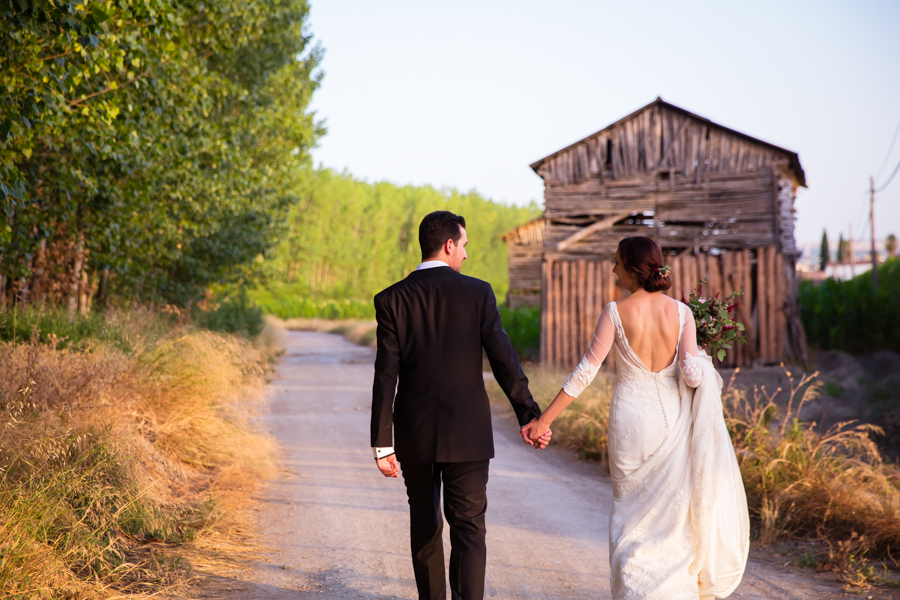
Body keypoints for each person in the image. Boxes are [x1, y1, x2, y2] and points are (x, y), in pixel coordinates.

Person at [522, 236, 749, 600]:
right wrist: (700, 356)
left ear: (631, 268)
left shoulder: (615, 312)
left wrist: (544, 420)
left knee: (631, 520)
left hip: (630, 422)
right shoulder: (682, 313)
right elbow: (692, 376)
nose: (613, 269)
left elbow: (585, 372)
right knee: (672, 524)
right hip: (671, 423)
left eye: (616, 263)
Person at [371, 210, 552, 600]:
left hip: (414, 432)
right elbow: (504, 358)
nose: (466, 255)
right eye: (465, 246)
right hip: (467, 432)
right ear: (449, 245)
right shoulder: (478, 293)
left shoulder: (391, 299)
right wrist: (528, 413)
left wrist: (382, 443)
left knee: (425, 525)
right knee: (469, 527)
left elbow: (386, 374)